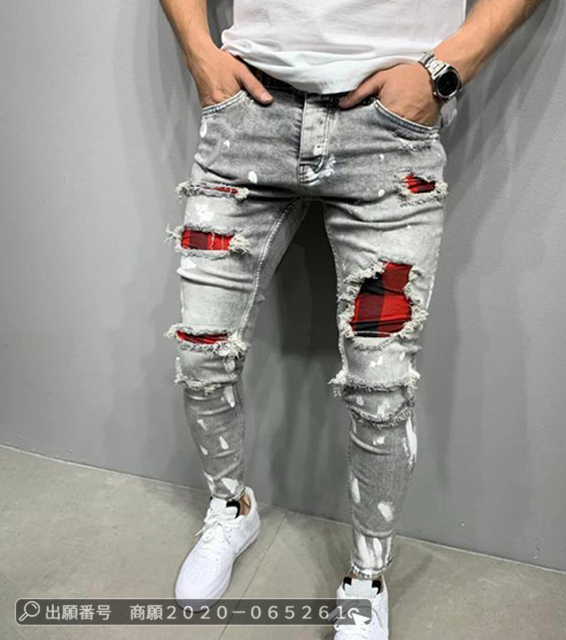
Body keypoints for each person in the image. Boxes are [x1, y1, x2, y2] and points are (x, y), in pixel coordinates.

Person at [160, 0, 544, 637]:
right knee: (202, 349)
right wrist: (200, 52)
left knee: (380, 387)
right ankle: (231, 508)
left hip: (388, 129)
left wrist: (442, 72)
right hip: (248, 115)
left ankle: (367, 577)